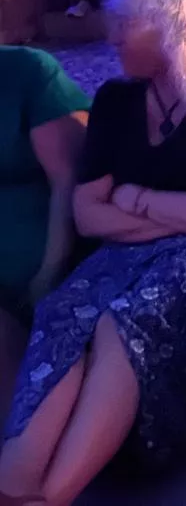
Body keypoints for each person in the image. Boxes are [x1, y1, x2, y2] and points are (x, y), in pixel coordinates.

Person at [0, 0, 186, 505]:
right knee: (66, 309)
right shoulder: (116, 99)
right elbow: (87, 213)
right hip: (150, 238)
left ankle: (53, 493)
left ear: (176, 28)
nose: (113, 37)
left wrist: (136, 201)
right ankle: (16, 480)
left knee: (125, 316)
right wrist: (183, 212)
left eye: (127, 25)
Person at [0, 47, 87, 419]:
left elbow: (70, 177)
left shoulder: (27, 72)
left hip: (36, 263)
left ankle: (19, 455)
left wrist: (50, 272)